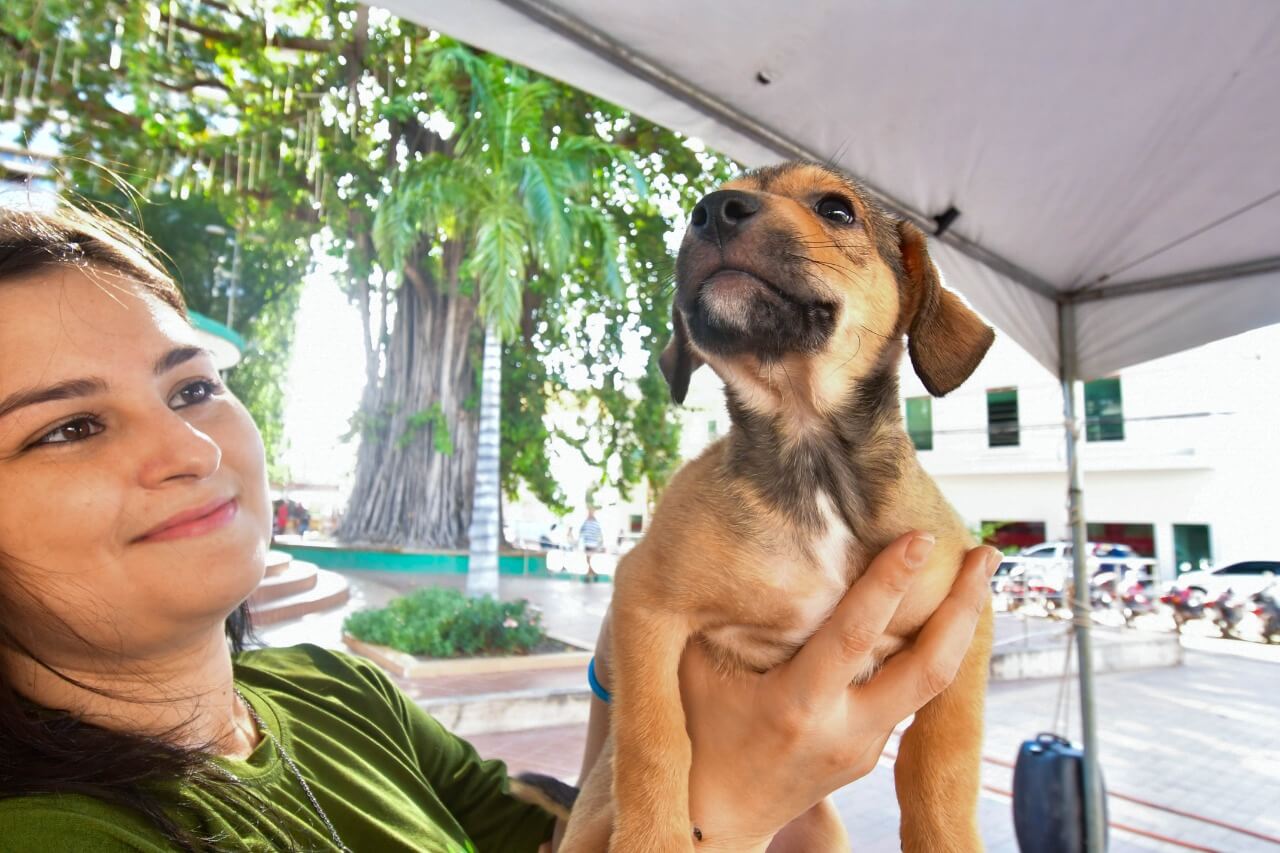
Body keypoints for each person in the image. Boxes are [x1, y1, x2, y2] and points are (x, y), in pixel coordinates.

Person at [0, 202, 998, 852]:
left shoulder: (334, 693)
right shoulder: (48, 832)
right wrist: (723, 807)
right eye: (67, 427)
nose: (191, 451)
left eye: (194, 387)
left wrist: (649, 644)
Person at [578, 507, 605, 582]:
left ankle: (588, 575)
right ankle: (593, 574)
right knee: (588, 560)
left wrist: (600, 544)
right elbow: (581, 532)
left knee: (589, 560)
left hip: (591, 544)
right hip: (589, 544)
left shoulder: (591, 522)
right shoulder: (590, 522)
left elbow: (599, 534)